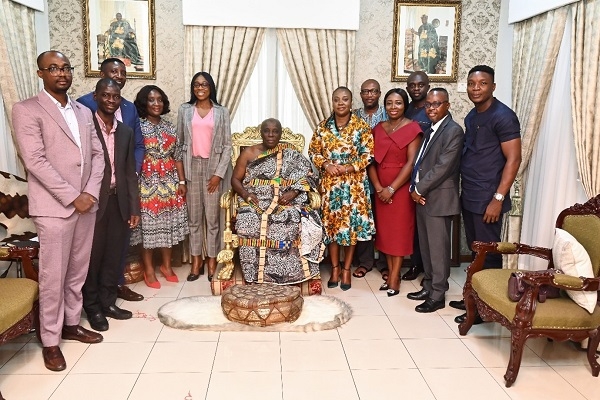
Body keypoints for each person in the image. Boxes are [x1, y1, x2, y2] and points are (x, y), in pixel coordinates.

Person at [13, 51, 105, 371]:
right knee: (54, 277)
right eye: (53, 68)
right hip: (54, 208)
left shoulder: (83, 111)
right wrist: (72, 196)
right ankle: (50, 341)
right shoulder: (26, 110)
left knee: (76, 273)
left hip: (86, 207)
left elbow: (97, 156)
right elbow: (35, 160)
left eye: (65, 67)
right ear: (41, 74)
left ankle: (70, 324)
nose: (61, 73)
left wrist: (90, 193)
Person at [453, 65, 521, 324]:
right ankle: (473, 297)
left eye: (482, 83)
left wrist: (498, 198)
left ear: (493, 86)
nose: (476, 88)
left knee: (489, 254)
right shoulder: (472, 116)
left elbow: (514, 159)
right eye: (471, 83)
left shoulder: (503, 116)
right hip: (470, 194)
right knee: (475, 251)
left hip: (489, 198)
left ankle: (485, 309)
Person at [77, 57, 145, 302]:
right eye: (113, 71)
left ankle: (113, 290)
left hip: (121, 189)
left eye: (122, 72)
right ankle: (92, 302)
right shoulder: (83, 105)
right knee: (94, 251)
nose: (118, 75)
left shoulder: (128, 108)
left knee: (117, 246)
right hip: (94, 192)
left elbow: (136, 145)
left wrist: (132, 173)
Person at [231, 118, 323, 284]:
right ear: (261, 132)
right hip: (256, 199)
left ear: (280, 134)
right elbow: (235, 180)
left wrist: (294, 192)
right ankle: (254, 275)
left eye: (275, 131)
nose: (271, 135)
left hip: (284, 200)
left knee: (293, 219)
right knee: (247, 220)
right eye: (267, 131)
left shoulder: (290, 152)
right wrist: (246, 195)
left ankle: (288, 273)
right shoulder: (249, 153)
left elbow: (309, 175)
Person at [309, 86, 375, 291]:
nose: (340, 103)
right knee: (332, 228)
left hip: (353, 185)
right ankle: (335, 268)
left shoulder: (361, 126)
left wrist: (348, 166)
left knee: (350, 228)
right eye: (336, 99)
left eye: (345, 99)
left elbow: (368, 155)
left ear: (351, 102)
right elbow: (313, 152)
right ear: (332, 102)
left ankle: (347, 269)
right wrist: (327, 165)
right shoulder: (322, 127)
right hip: (330, 184)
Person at [407, 88, 464, 312]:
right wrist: (417, 189)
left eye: (437, 104)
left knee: (439, 250)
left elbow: (443, 167)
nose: (431, 108)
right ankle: (429, 285)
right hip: (423, 197)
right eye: (429, 104)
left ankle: (438, 295)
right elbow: (422, 163)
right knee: (427, 247)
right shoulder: (431, 128)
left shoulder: (453, 131)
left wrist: (418, 188)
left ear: (447, 105)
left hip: (439, 198)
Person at [131, 85, 189, 289]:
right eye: (151, 100)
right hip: (146, 182)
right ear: (143, 103)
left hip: (169, 181)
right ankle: (148, 269)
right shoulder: (137, 126)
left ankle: (166, 266)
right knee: (147, 228)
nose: (156, 104)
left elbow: (178, 156)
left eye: (159, 100)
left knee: (168, 225)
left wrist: (182, 182)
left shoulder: (169, 127)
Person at [367, 88, 421, 296]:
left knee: (398, 235)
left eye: (398, 103)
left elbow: (411, 163)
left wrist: (391, 188)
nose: (393, 107)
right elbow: (369, 161)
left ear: (405, 105)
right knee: (386, 235)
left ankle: (395, 277)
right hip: (381, 188)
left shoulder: (412, 128)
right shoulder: (378, 128)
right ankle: (390, 273)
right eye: (389, 103)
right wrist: (379, 188)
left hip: (400, 189)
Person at [178, 71, 232, 282]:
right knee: (193, 220)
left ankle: (211, 262)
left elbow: (227, 146)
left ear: (211, 88)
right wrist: (182, 178)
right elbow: (180, 145)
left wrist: (218, 175)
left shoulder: (221, 112)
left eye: (204, 85)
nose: (200, 88)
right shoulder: (185, 110)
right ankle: (196, 262)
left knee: (212, 221)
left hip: (213, 170)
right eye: (196, 85)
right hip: (192, 169)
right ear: (193, 88)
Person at [352, 79, 388, 281]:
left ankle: (384, 264)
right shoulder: (353, 116)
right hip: (357, 178)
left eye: (373, 91)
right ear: (361, 94)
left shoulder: (389, 113)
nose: (369, 95)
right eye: (365, 91)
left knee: (383, 222)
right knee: (362, 222)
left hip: (383, 176)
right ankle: (365, 262)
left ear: (379, 93)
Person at [402, 71, 432, 282]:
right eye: (412, 85)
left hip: (430, 175)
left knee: (428, 226)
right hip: (409, 174)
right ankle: (416, 264)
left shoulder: (433, 109)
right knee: (412, 225)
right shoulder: (407, 110)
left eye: (420, 85)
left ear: (428, 86)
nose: (416, 89)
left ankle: (430, 270)